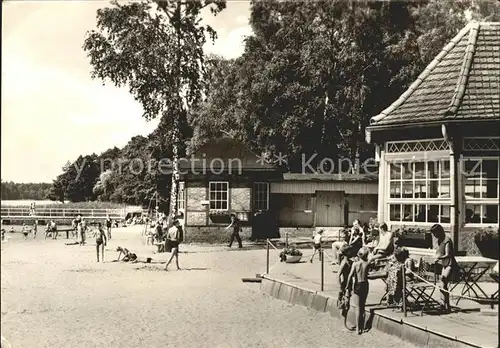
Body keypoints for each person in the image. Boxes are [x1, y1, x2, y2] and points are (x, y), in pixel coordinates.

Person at [431, 223, 457, 313]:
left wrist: (438, 258)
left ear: (439, 232)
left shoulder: (447, 240)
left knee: (443, 281)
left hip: (450, 263)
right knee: (442, 284)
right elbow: (440, 252)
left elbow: (447, 254)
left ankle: (447, 305)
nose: (434, 235)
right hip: (444, 264)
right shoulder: (439, 240)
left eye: (435, 233)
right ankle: (444, 304)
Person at [347, 246, 370, 335]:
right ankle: (362, 327)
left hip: (358, 284)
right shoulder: (367, 263)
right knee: (363, 307)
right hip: (365, 284)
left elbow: (350, 276)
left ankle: (357, 329)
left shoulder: (355, 264)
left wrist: (347, 286)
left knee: (358, 308)